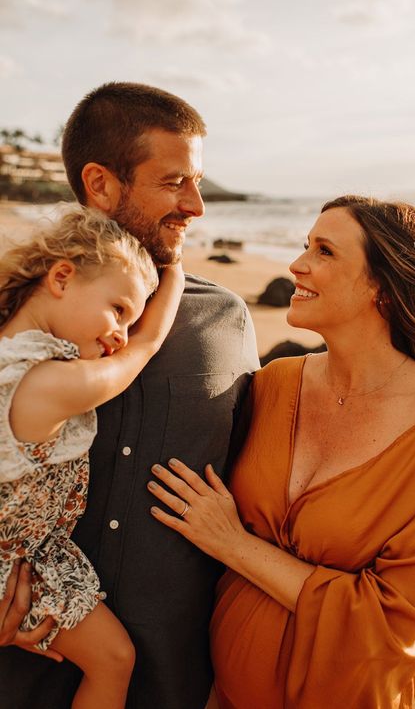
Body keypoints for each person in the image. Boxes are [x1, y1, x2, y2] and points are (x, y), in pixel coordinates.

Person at [147, 195, 415, 709]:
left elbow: (388, 624)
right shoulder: (273, 384)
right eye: (304, 245)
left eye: (324, 251)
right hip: (218, 691)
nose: (297, 264)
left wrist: (234, 545)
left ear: (382, 288)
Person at [0, 83, 259, 708]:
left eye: (198, 182)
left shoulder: (223, 322)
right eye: (174, 182)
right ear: (101, 183)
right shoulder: (13, 324)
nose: (197, 205)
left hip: (167, 676)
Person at [0, 206, 184, 707]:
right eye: (119, 308)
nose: (122, 332)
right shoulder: (43, 382)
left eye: (130, 317)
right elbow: (141, 351)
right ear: (62, 277)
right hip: (14, 567)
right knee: (114, 661)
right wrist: (175, 274)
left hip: (28, 556)